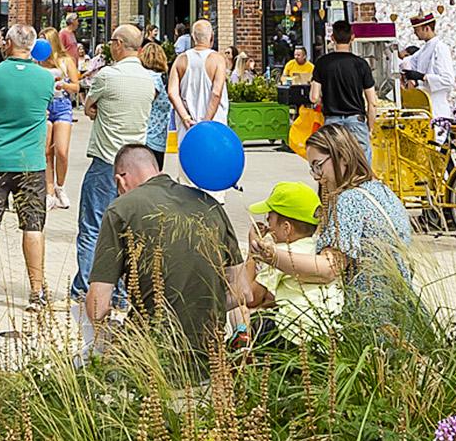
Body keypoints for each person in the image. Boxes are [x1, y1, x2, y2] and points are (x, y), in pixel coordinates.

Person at [244, 123, 418, 329]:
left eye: (318, 165)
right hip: (402, 308)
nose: (316, 175)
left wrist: (271, 256)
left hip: (369, 317)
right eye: (312, 168)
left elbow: (328, 269)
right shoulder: (382, 190)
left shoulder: (349, 200)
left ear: (342, 157)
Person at [82, 141, 238, 363]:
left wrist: (111, 338)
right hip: (210, 357)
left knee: (83, 363)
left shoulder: (121, 209)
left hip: (152, 356)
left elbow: (97, 305)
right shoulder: (211, 205)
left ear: (120, 180)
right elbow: (243, 292)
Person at [0, 25, 56, 309]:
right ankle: (36, 292)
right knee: (33, 226)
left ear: (7, 44)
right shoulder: (45, 79)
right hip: (30, 161)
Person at [70, 25, 161, 298]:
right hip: (136, 165)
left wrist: (96, 109)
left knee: (92, 227)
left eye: (112, 42)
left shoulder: (107, 76)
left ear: (119, 44)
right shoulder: (149, 80)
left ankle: (85, 287)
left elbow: (89, 107)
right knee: (128, 231)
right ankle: (122, 291)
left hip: (105, 161)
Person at [233, 179, 340, 345]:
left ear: (286, 228)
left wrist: (253, 253)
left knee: (244, 315)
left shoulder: (283, 256)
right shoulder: (318, 248)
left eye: (270, 219)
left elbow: (249, 297)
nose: (267, 226)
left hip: (292, 336)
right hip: (326, 337)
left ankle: (240, 353)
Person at [312, 20, 376, 141]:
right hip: (356, 121)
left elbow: (314, 97)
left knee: (335, 158)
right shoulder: (361, 64)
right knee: (360, 158)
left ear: (332, 38)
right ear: (352, 37)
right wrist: (370, 128)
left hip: (332, 122)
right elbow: (372, 102)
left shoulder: (322, 62)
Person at [169, 20, 228, 146]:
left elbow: (172, 93)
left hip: (187, 127)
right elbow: (216, 93)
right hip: (214, 123)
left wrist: (185, 118)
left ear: (193, 37)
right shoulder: (218, 59)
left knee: (188, 162)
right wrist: (206, 122)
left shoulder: (180, 60)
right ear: (212, 36)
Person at [45, 35, 79, 208]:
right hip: (43, 105)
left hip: (61, 105)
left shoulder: (65, 61)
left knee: (62, 151)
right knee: (46, 152)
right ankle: (49, 191)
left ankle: (60, 186)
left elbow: (76, 86)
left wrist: (63, 85)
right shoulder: (37, 61)